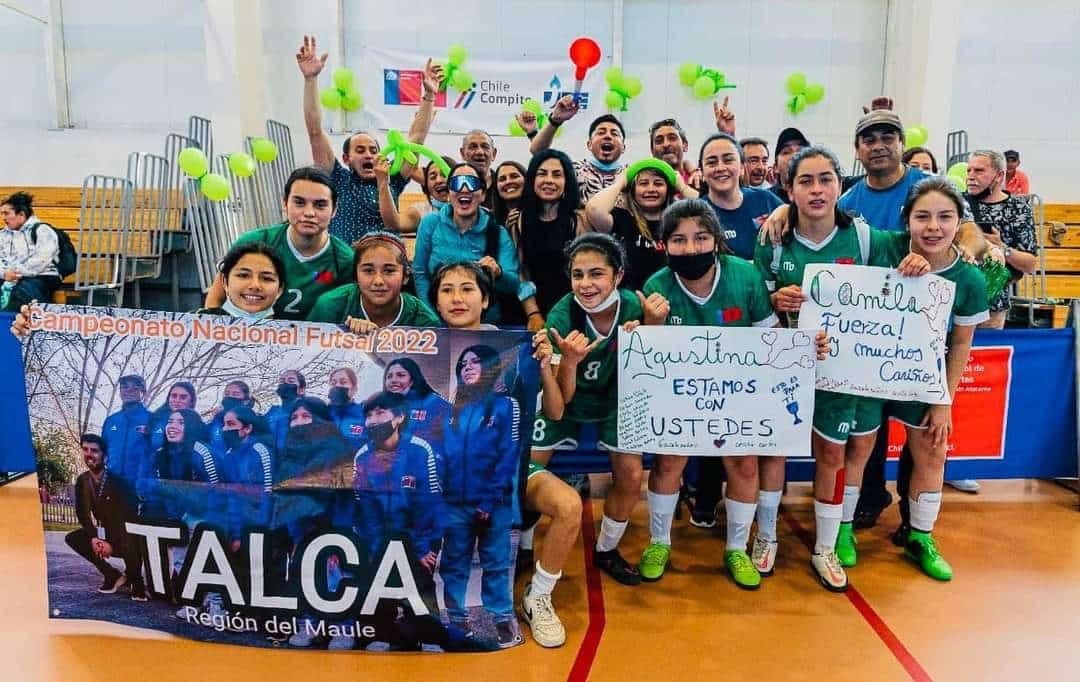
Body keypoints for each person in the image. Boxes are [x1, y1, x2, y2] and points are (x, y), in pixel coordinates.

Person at [753, 146, 930, 588]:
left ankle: (826, 545)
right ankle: (767, 535)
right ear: (788, 189)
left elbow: (939, 241)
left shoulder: (868, 239)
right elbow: (758, 301)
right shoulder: (772, 242)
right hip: (787, 370)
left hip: (844, 372)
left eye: (826, 179)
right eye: (805, 181)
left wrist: (918, 261)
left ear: (840, 184)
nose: (817, 189)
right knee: (771, 453)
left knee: (834, 454)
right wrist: (775, 303)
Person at [429, 259, 579, 648]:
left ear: (484, 300)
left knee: (569, 506)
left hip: (504, 469)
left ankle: (538, 597)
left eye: (467, 289)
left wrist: (547, 363)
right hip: (447, 479)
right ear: (435, 301)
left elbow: (557, 411)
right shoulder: (424, 347)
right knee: (454, 559)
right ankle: (449, 618)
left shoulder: (514, 345)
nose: (457, 298)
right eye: (447, 290)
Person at [636, 199, 779, 588]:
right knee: (667, 464)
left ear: (715, 240)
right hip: (679, 396)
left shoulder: (746, 276)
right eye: (679, 240)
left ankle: (736, 547)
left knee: (745, 465)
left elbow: (770, 337)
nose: (691, 248)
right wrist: (651, 323)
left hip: (739, 392)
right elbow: (647, 361)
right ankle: (659, 541)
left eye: (700, 238)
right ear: (665, 245)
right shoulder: (656, 287)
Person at [880, 177, 991, 580]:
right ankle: (840, 532)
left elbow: (961, 344)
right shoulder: (884, 248)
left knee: (932, 450)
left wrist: (943, 399)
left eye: (945, 217)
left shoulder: (970, 280)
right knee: (856, 451)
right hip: (871, 371)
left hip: (921, 378)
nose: (933, 227)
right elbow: (838, 224)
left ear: (959, 222)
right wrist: (787, 208)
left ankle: (920, 536)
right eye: (922, 217)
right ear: (906, 221)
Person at [532, 234, 643, 586]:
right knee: (529, 463)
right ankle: (519, 544)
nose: (586, 284)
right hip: (569, 399)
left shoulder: (633, 308)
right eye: (578, 275)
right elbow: (557, 403)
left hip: (615, 400)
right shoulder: (562, 315)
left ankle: (607, 548)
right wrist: (568, 362)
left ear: (618, 276)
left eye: (596, 274)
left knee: (630, 473)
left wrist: (650, 331)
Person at [297, 35, 439, 242]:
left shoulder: (394, 180)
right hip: (349, 265)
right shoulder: (338, 179)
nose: (369, 155)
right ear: (346, 159)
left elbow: (416, 139)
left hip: (387, 265)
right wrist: (310, 80)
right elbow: (315, 132)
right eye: (360, 150)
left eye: (373, 150)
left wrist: (429, 96)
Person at [349, 391, 445, 650]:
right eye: (369, 415)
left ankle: (423, 641)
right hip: (381, 538)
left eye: (380, 413)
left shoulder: (419, 449)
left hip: (419, 539)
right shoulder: (362, 456)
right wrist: (374, 547)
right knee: (377, 595)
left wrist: (423, 547)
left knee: (419, 593)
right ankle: (375, 639)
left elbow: (429, 503)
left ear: (399, 417)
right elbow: (366, 507)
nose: (373, 420)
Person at [440, 344, 522, 647]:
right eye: (463, 364)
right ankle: (456, 620)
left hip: (493, 503)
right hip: (455, 504)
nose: (468, 367)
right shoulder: (452, 410)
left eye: (475, 362)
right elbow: (443, 456)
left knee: (496, 561)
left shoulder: (506, 405)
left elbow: (507, 455)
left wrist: (489, 500)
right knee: (454, 562)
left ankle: (501, 617)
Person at [202, 167, 355, 321]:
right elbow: (215, 299)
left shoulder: (345, 259)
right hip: (256, 336)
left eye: (320, 205)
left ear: (334, 209)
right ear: (285, 203)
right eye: (299, 202)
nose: (309, 212)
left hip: (315, 341)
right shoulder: (254, 242)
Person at [412, 163, 531, 325]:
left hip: (484, 325)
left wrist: (499, 273)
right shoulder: (430, 223)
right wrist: (433, 319)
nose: (464, 189)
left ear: (482, 195)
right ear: (449, 193)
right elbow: (420, 272)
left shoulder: (497, 232)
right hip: (438, 322)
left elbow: (513, 284)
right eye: (456, 183)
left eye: (472, 183)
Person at [505, 150, 588, 327]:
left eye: (557, 175)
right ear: (532, 180)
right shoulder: (518, 221)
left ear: (567, 182)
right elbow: (520, 272)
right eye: (542, 174)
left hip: (576, 311)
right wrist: (533, 313)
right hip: (532, 314)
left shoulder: (581, 219)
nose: (549, 180)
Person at [65, 434, 148, 601]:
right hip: (104, 535)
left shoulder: (119, 482)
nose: (89, 454)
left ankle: (136, 580)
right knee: (73, 538)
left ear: (105, 456)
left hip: (127, 535)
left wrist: (110, 544)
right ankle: (112, 575)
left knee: (131, 538)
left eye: (94, 451)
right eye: (85, 449)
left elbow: (130, 519)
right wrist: (95, 538)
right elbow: (83, 514)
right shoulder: (82, 480)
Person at [585, 160, 689, 290]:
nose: (651, 189)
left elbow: (708, 211)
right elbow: (594, 209)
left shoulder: (679, 221)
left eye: (658, 183)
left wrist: (682, 187)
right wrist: (621, 182)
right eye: (643, 184)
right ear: (633, 190)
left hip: (673, 298)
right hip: (631, 301)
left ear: (668, 190)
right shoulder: (623, 219)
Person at [964, 149, 1038, 329]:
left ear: (999, 175)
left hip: (992, 307)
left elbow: (1030, 264)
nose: (971, 176)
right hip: (955, 300)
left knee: (985, 356)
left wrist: (1002, 248)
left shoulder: (1018, 209)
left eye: (979, 171)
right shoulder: (957, 202)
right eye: (969, 170)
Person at [308, 231, 440, 331]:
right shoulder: (329, 306)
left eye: (389, 271)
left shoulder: (424, 321)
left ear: (405, 276)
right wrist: (347, 335)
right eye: (368, 271)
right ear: (356, 274)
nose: (378, 281)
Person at [698, 133, 784, 261]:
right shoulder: (696, 214)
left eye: (728, 160)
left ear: (742, 168)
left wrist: (787, 209)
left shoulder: (765, 199)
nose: (720, 167)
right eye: (712, 162)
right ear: (702, 172)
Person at [526, 96, 628, 203]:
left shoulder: (631, 175)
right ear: (589, 144)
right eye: (601, 132)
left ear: (623, 148)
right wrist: (555, 120)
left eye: (614, 134)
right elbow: (538, 152)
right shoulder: (572, 170)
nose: (608, 136)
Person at [0, 192, 62, 311]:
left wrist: (17, 273)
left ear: (21, 214)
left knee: (23, 291)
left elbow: (42, 259)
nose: (3, 218)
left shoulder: (42, 230)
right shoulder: (2, 235)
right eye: (2, 213)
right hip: (8, 276)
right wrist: (4, 273)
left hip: (41, 276)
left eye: (6, 213)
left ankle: (26, 324)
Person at [101, 374, 152, 501]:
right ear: (120, 392)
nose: (129, 391)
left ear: (143, 393)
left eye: (135, 388)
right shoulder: (110, 421)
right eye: (124, 387)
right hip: (113, 488)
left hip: (141, 490)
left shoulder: (153, 420)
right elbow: (103, 453)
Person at [377, 155, 455, 234]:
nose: (438, 180)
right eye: (433, 177)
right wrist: (383, 183)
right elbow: (395, 224)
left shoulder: (466, 206)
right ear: (426, 185)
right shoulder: (421, 211)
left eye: (444, 175)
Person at [383, 358, 449, 448]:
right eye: (389, 376)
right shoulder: (381, 408)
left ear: (413, 379)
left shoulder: (436, 403)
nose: (393, 380)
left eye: (401, 375)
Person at [148, 381, 198, 451]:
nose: (177, 400)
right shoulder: (155, 419)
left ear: (191, 401)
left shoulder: (197, 425)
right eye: (174, 396)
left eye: (183, 397)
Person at [327, 367, 368, 450]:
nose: (337, 385)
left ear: (354, 389)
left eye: (343, 382)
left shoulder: (365, 413)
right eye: (333, 383)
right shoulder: (321, 413)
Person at [208, 380, 254, 453]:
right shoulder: (217, 420)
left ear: (246, 401)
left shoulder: (253, 423)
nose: (230, 396)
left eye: (235, 394)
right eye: (227, 394)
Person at [264, 370, 306, 452]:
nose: (285, 383)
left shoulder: (308, 413)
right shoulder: (271, 413)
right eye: (282, 381)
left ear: (301, 389)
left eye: (291, 381)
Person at [769, 128, 811, 203]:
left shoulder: (820, 196)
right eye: (786, 152)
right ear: (776, 167)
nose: (795, 155)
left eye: (801, 150)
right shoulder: (766, 200)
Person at [492, 161, 527, 228]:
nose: (508, 182)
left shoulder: (542, 214)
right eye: (502, 179)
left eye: (514, 176)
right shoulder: (489, 221)